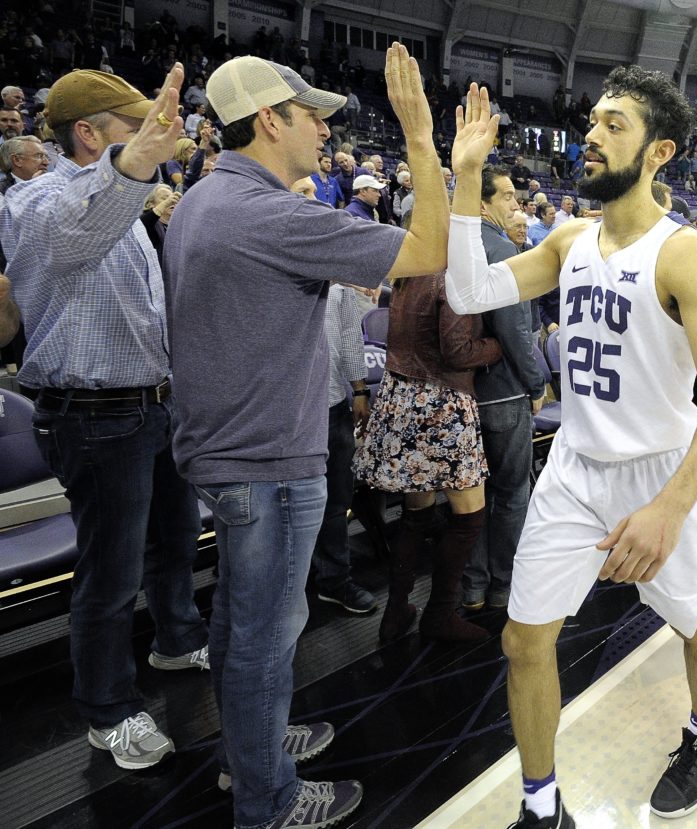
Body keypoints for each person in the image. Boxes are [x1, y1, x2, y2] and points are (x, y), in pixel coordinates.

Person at [163, 47, 481, 829]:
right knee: (266, 637)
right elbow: (427, 255)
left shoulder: (207, 199)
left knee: (242, 624)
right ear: (269, 120)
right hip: (267, 458)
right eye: (311, 116)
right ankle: (266, 798)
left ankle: (256, 743)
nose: (322, 132)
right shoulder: (266, 212)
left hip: (233, 451)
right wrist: (418, 137)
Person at [445, 69, 697, 825]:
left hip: (663, 472)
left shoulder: (686, 254)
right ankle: (541, 807)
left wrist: (670, 508)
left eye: (614, 124)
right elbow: (467, 292)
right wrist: (465, 177)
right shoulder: (570, 237)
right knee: (523, 639)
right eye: (592, 121)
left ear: (658, 152)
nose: (591, 133)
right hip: (576, 469)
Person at [0, 66, 210, 771]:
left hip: (149, 404)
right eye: (132, 126)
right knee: (111, 573)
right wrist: (137, 164)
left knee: (175, 537)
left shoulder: (126, 207)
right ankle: (107, 709)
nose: (151, 135)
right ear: (88, 135)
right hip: (92, 416)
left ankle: (176, 637)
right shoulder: (35, 199)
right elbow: (72, 235)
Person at [354, 208, 504, 644]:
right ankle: (441, 615)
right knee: (469, 512)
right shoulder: (447, 269)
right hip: (441, 401)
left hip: (403, 395)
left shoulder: (408, 268)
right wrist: (497, 347)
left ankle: (395, 611)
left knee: (415, 514)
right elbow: (458, 351)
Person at [461, 165, 546, 613]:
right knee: (511, 493)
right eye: (508, 197)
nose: (517, 204)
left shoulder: (457, 248)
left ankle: (472, 587)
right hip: (505, 393)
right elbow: (516, 331)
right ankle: (503, 585)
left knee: (474, 498)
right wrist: (536, 383)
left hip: (460, 395)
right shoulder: (503, 253)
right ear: (482, 203)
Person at [312, 282, 377, 613]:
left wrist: (360, 388)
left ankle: (334, 580)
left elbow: (351, 332)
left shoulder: (338, 271)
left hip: (334, 401)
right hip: (286, 411)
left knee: (337, 500)